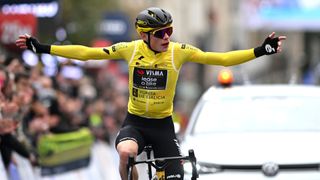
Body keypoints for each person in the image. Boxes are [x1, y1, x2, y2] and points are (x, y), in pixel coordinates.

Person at [16, 7, 286, 180]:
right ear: (145, 36)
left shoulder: (178, 52)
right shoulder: (130, 49)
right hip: (136, 122)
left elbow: (222, 59)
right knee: (125, 153)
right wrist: (44, 48)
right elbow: (87, 53)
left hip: (163, 126)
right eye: (161, 33)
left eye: (169, 30)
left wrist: (261, 50)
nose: (167, 37)